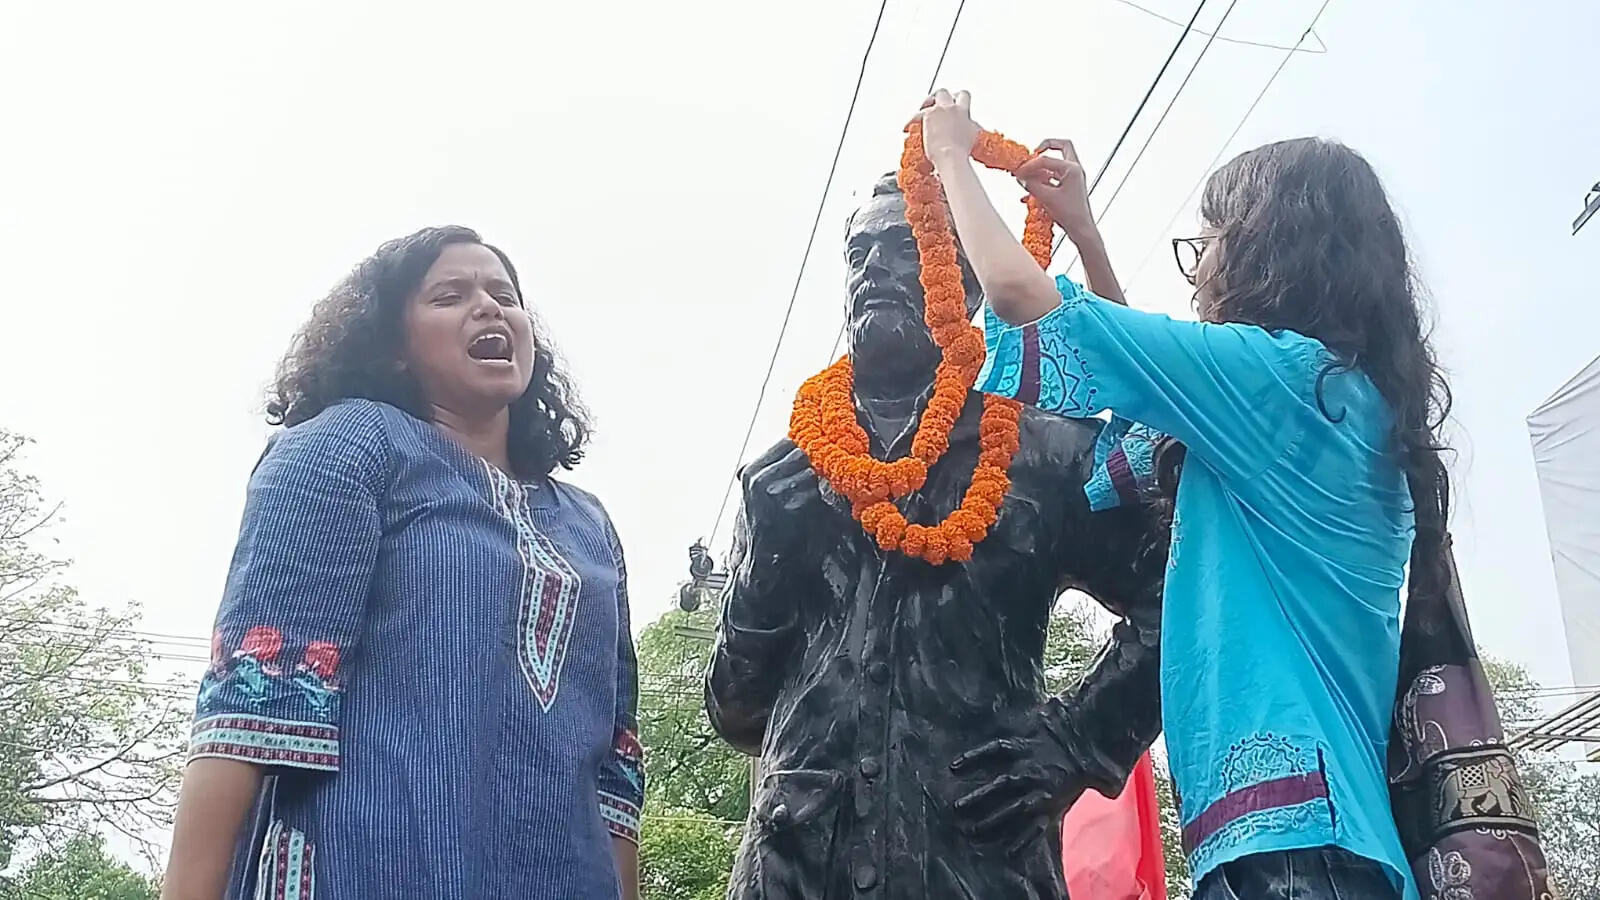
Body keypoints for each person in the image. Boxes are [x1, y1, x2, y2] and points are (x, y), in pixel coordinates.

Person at [915, 90, 1450, 900]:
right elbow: (1143, 394)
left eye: (1212, 240)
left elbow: (1027, 305)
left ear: (1268, 250)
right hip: (1316, 837)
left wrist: (949, 154)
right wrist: (1086, 232)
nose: (1202, 261)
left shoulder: (1280, 383)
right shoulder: (1339, 402)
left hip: (1297, 850)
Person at [705, 173, 1169, 899]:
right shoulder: (788, 478)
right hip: (796, 871)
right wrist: (764, 562)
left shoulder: (1040, 452)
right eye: (859, 255)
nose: (874, 270)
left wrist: (1077, 742)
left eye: (907, 247)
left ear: (971, 287)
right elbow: (736, 715)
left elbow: (1181, 597)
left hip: (977, 864)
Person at [161, 226, 643, 900]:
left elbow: (615, 778)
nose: (489, 307)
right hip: (365, 866)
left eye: (505, 294)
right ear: (392, 347)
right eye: (450, 296)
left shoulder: (587, 525)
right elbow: (251, 707)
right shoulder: (347, 446)